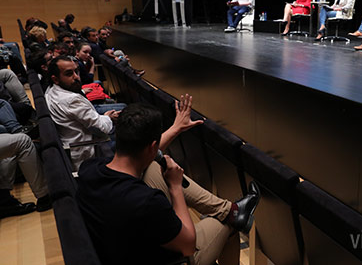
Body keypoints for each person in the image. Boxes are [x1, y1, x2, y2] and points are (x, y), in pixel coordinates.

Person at [76, 101, 260, 265]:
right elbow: (187, 246)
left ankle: (231, 211)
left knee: (154, 167)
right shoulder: (146, 201)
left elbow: (144, 156)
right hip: (169, 257)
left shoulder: (90, 168)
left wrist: (176, 128)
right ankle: (232, 214)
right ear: (151, 147)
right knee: (229, 224)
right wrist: (175, 186)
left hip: (118, 245)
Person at [45, 56, 121, 171]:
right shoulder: (72, 100)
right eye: (69, 73)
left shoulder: (50, 90)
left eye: (76, 71)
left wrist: (104, 117)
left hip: (79, 143)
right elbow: (102, 128)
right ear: (55, 79)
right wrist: (107, 117)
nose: (76, 77)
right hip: (90, 151)